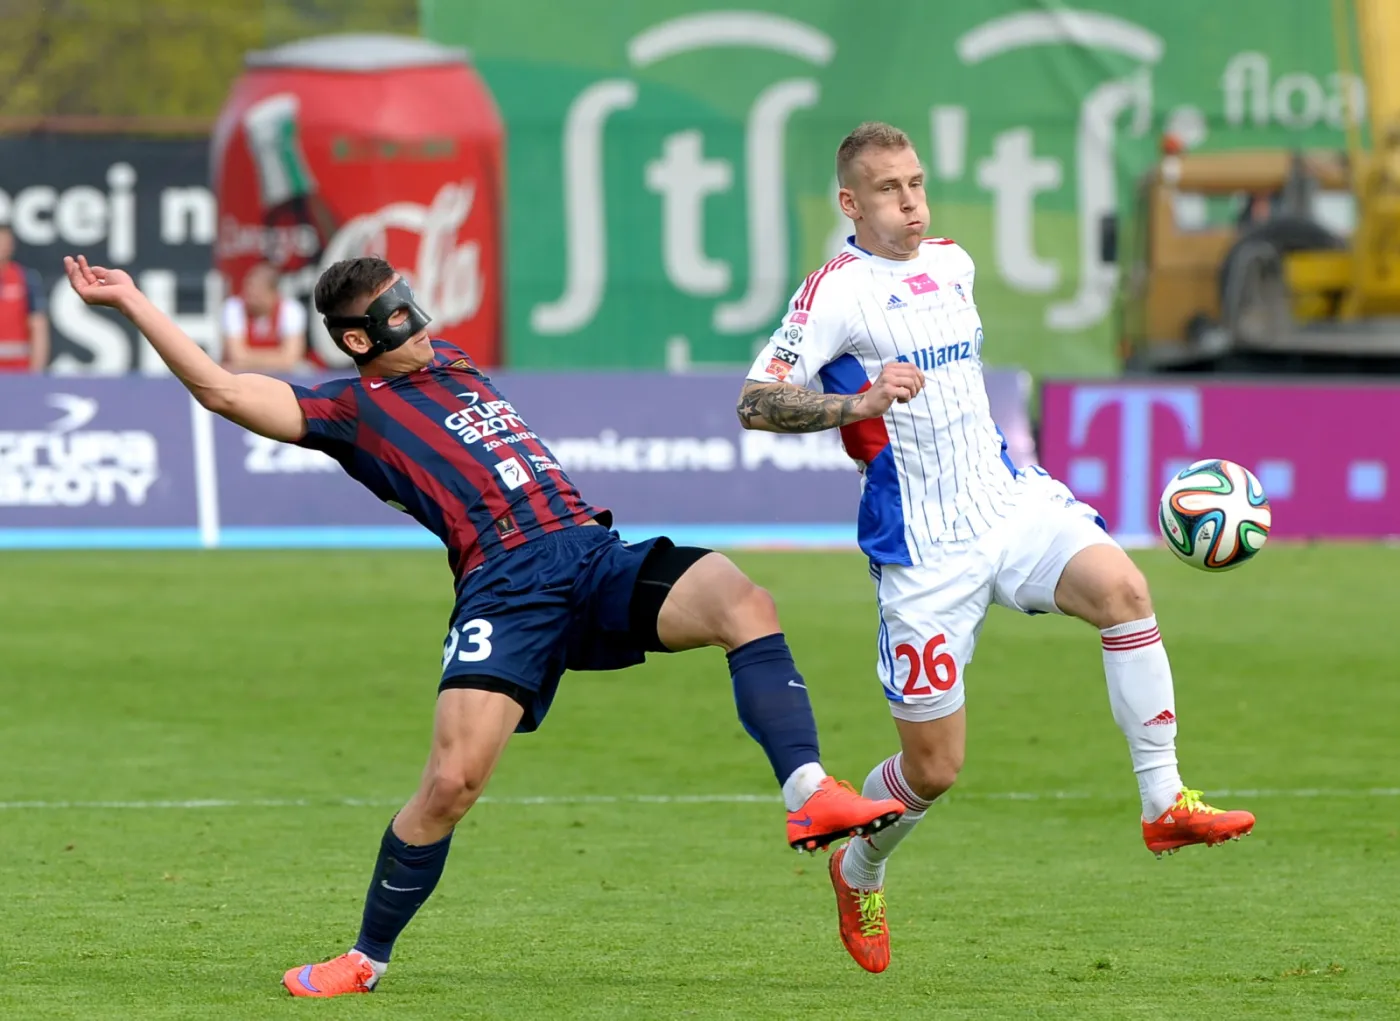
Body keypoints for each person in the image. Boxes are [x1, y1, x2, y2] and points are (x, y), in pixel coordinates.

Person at [63, 252, 906, 998]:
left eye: (412, 301)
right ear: (359, 341)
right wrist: (133, 302)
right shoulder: (350, 414)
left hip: (588, 548)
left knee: (742, 600)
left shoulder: (453, 359)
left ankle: (809, 794)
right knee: (450, 786)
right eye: (397, 316)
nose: (421, 325)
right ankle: (365, 958)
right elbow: (220, 388)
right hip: (504, 588)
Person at [736, 121, 1256, 975]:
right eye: (888, 189)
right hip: (923, 551)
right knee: (934, 769)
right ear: (850, 203)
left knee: (1125, 592)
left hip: (1009, 506)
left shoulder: (954, 261)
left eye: (916, 183)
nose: (909, 201)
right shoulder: (832, 293)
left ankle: (1164, 800)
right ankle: (858, 863)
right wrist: (855, 405)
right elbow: (756, 403)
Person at [221, 261, 310, 373]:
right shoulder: (233, 308)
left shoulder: (291, 310)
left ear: (273, 293)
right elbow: (236, 356)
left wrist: (246, 359)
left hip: (282, 377)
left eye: (257, 293)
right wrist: (279, 357)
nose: (250, 296)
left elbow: (292, 359)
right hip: (243, 377)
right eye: (249, 289)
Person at [0, 225, 50, 373]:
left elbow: (38, 324)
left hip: (18, 369)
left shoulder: (25, 278)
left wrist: (36, 372)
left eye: (6, 241)